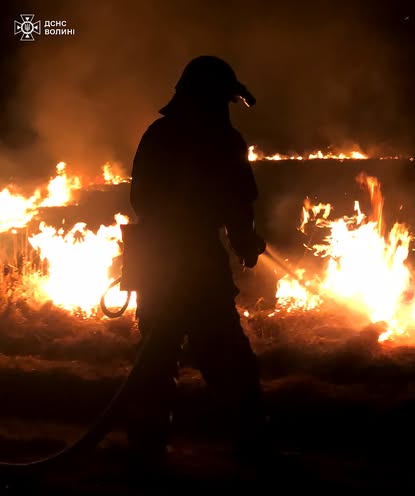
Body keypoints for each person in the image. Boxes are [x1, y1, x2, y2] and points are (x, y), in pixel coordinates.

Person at [125, 55, 268, 470]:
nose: (225, 109)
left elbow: (140, 200)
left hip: (155, 262)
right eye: (223, 100)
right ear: (211, 98)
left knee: (154, 361)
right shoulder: (223, 140)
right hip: (198, 268)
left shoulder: (157, 134)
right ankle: (252, 447)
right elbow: (238, 203)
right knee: (228, 360)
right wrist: (245, 243)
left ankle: (145, 452)